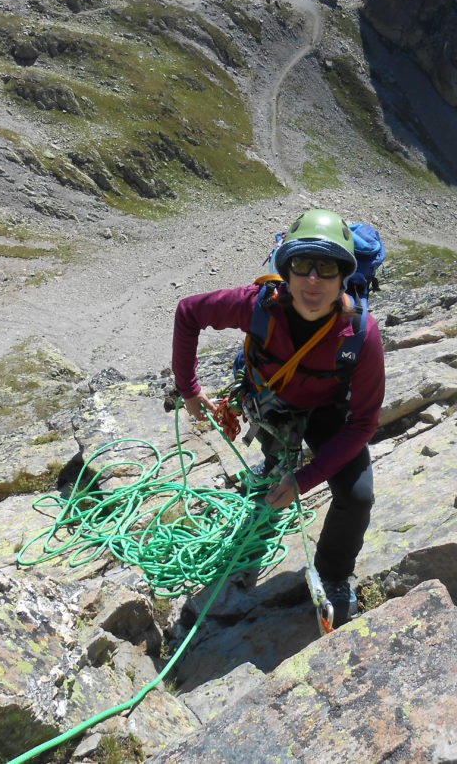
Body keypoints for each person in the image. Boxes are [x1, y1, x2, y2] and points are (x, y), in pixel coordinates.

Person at [171, 209, 385, 625]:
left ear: (344, 276)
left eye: (326, 267)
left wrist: (304, 481)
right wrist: (188, 389)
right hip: (268, 399)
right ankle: (274, 466)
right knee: (276, 456)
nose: (312, 280)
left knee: (357, 497)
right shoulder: (258, 307)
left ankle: (333, 575)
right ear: (284, 270)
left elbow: (363, 423)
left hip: (326, 410)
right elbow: (188, 313)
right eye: (301, 264)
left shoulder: (360, 334)